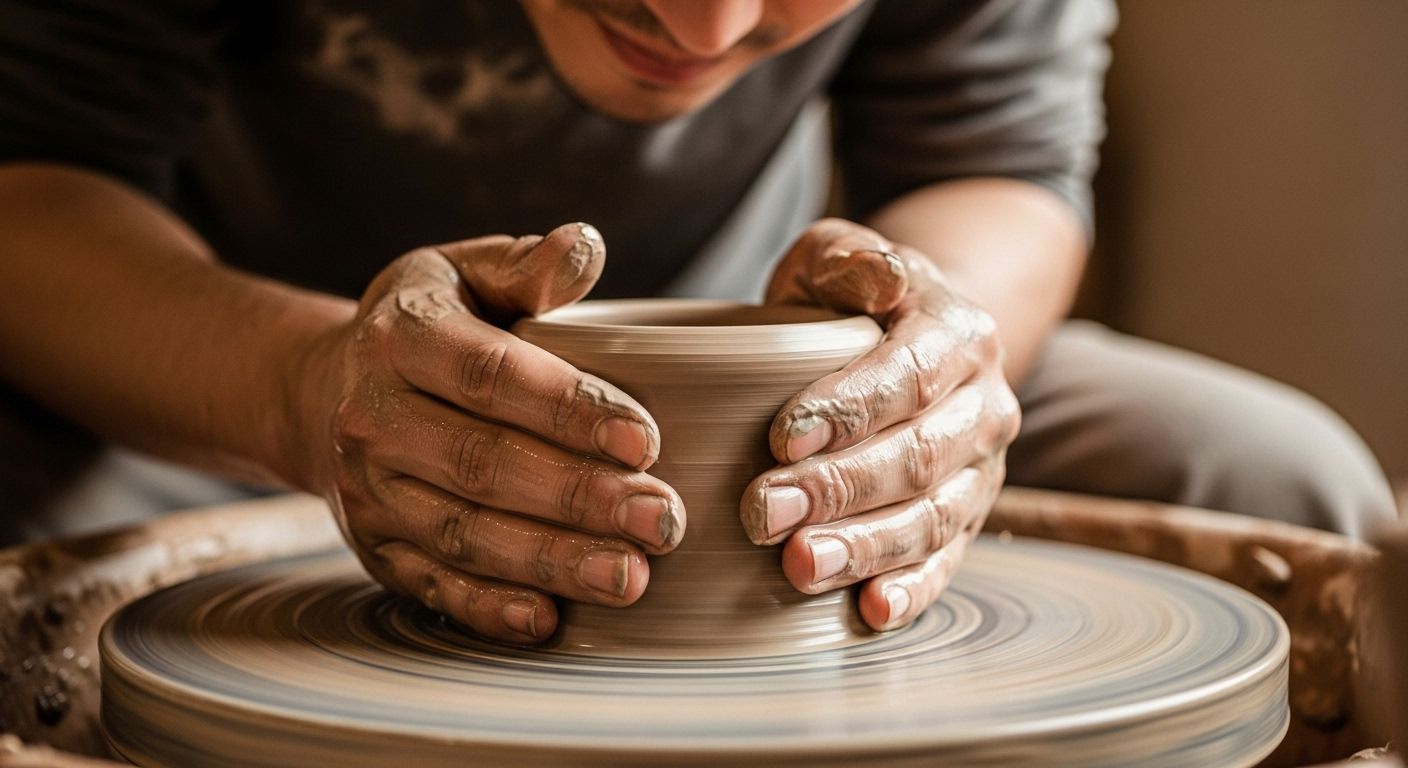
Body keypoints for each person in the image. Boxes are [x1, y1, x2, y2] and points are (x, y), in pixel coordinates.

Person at [0, 0, 1395, 644]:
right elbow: (34, 177)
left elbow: (1002, 167)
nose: (710, 23)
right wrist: (301, 387)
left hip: (764, 387)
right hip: (206, 386)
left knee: (1275, 481)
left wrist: (916, 368)